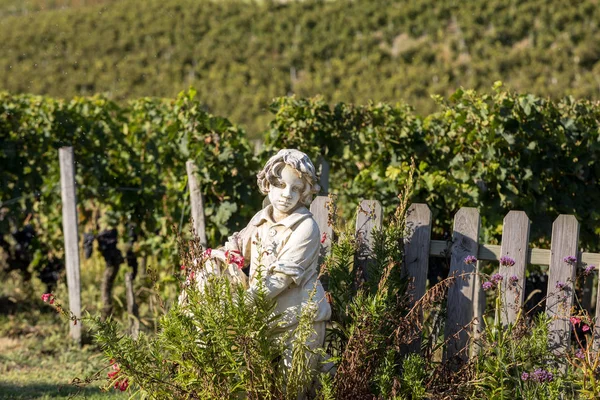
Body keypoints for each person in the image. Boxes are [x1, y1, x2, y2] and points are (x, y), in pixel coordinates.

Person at [195, 149, 331, 369]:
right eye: (280, 185)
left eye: (296, 189)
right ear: (267, 184)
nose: (287, 194)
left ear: (305, 194)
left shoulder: (306, 228)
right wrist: (216, 257)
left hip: (299, 322)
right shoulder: (261, 219)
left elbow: (279, 279)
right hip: (265, 322)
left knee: (293, 389)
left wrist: (238, 306)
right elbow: (238, 249)